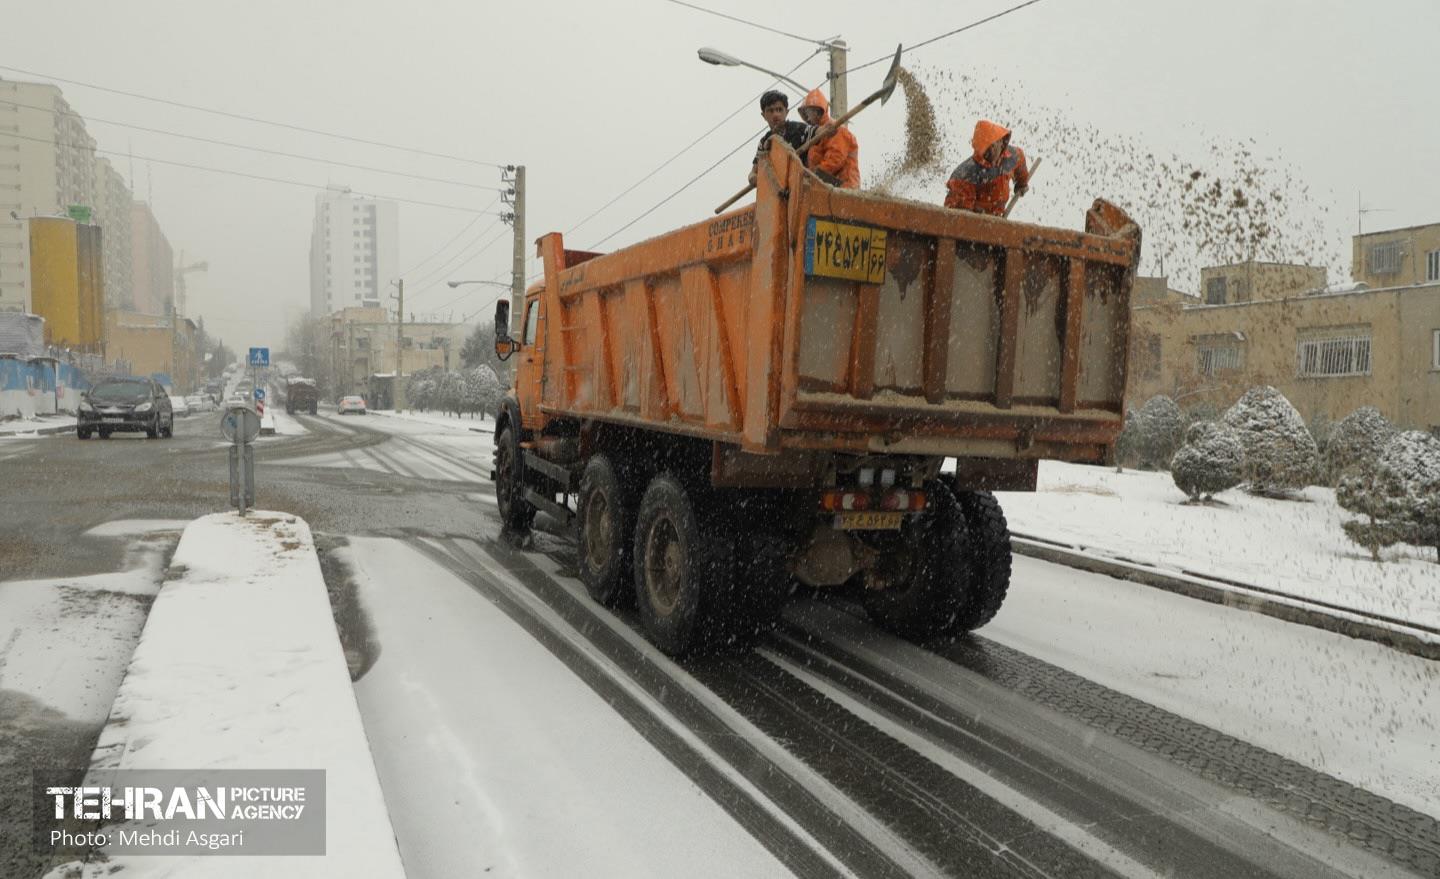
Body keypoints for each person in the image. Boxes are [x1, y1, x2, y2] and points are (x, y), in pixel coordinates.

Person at [944, 120, 1030, 216]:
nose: (990, 151)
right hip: (976, 223)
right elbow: (959, 218)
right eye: (986, 148)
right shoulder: (965, 176)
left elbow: (1021, 163)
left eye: (993, 146)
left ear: (1001, 142)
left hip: (996, 218)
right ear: (979, 149)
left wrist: (1022, 183)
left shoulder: (1013, 156)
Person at [796, 89, 860, 189]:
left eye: (808, 113)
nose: (807, 118)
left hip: (845, 186)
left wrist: (814, 174)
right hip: (829, 189)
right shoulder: (816, 138)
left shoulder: (835, 130)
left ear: (817, 111)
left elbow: (836, 158)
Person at [749, 90, 810, 187]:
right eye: (770, 110)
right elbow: (753, 172)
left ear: (786, 112)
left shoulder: (801, 129)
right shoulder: (764, 141)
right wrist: (753, 178)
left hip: (802, 186)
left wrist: (826, 128)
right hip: (780, 192)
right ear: (763, 115)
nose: (775, 115)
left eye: (779, 110)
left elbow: (820, 131)